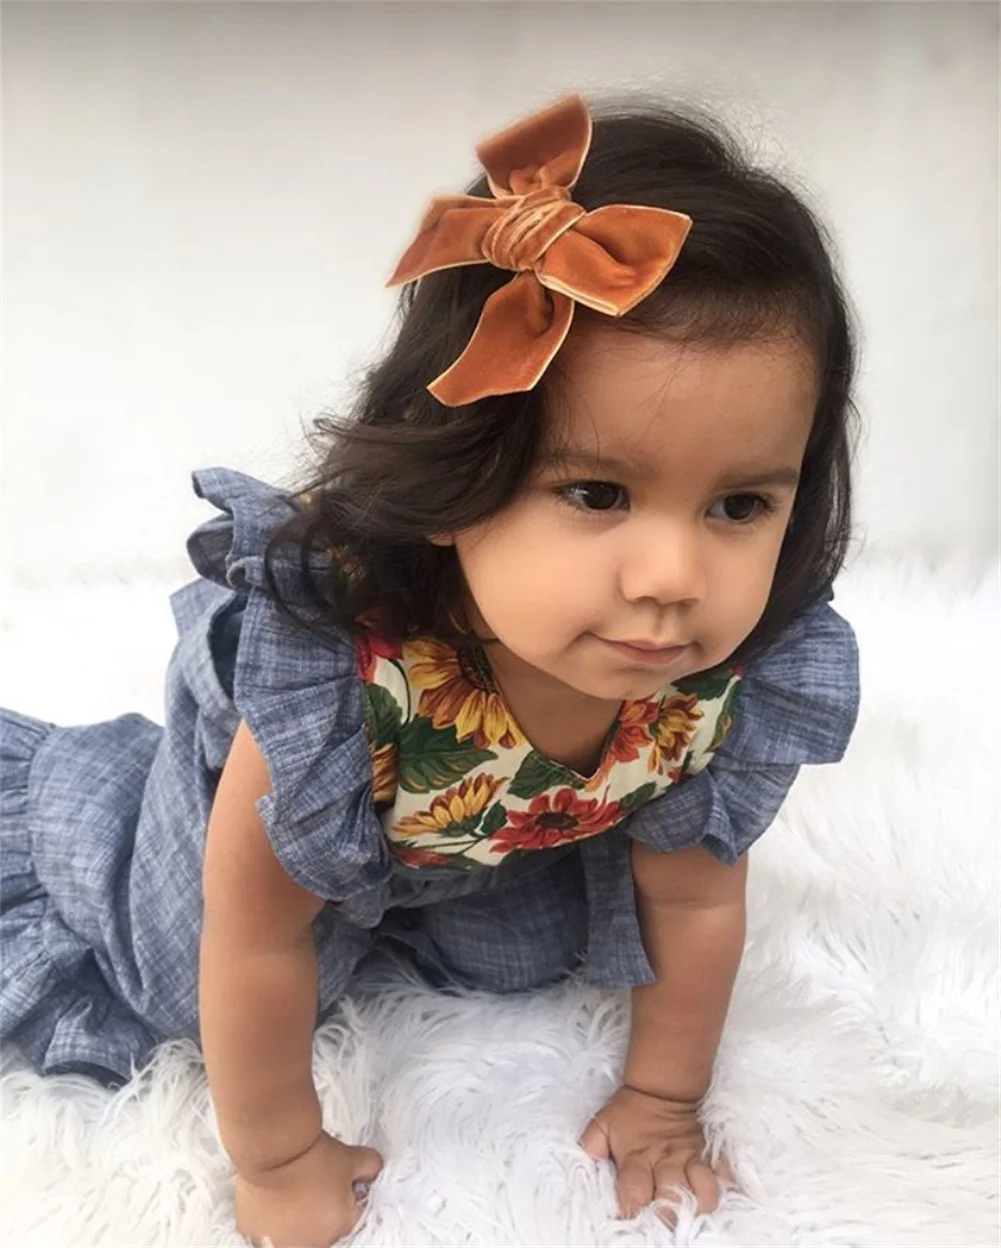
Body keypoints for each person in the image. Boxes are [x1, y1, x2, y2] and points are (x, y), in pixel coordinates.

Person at [0, 93, 860, 1247]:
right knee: (170, 975)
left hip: (463, 848)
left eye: (738, 505)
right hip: (264, 834)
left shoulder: (712, 684)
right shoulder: (343, 682)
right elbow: (252, 938)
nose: (672, 577)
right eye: (595, 493)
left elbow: (693, 893)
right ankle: (65, 806)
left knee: (532, 954)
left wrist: (663, 1099)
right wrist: (279, 1161)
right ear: (459, 476)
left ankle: (403, 901)